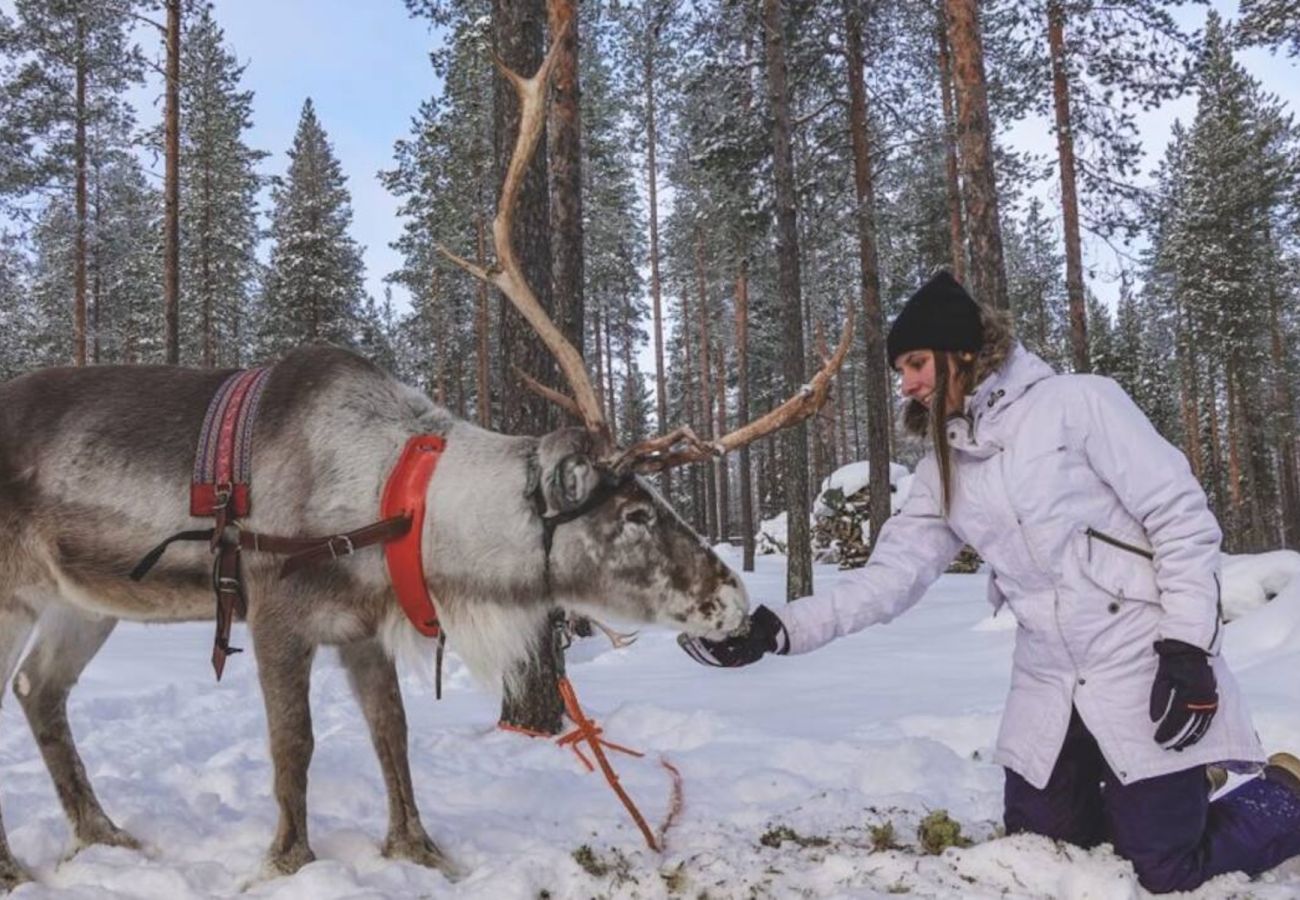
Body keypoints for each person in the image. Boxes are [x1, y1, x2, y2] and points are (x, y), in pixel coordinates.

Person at [681, 270, 1300, 893]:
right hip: (1050, 679)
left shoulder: (1079, 405)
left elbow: (1183, 520)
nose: (908, 383)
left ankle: (1285, 794)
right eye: (901, 370)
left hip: (1142, 662)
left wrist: (1189, 648)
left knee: (1164, 869)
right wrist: (780, 629)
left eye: (917, 362)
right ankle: (1170, 789)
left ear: (965, 352)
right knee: (1042, 851)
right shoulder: (944, 467)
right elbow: (889, 579)